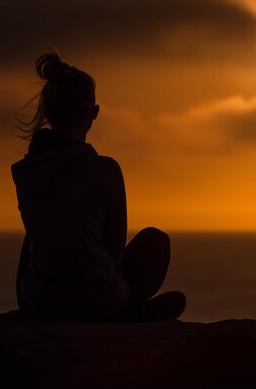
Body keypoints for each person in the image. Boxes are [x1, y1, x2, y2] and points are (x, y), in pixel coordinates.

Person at [11, 52, 186, 322]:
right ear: (94, 113)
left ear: (47, 112)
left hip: (40, 303)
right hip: (99, 300)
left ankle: (120, 310)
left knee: (35, 235)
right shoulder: (105, 170)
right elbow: (114, 250)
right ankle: (128, 314)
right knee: (155, 241)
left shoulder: (25, 172)